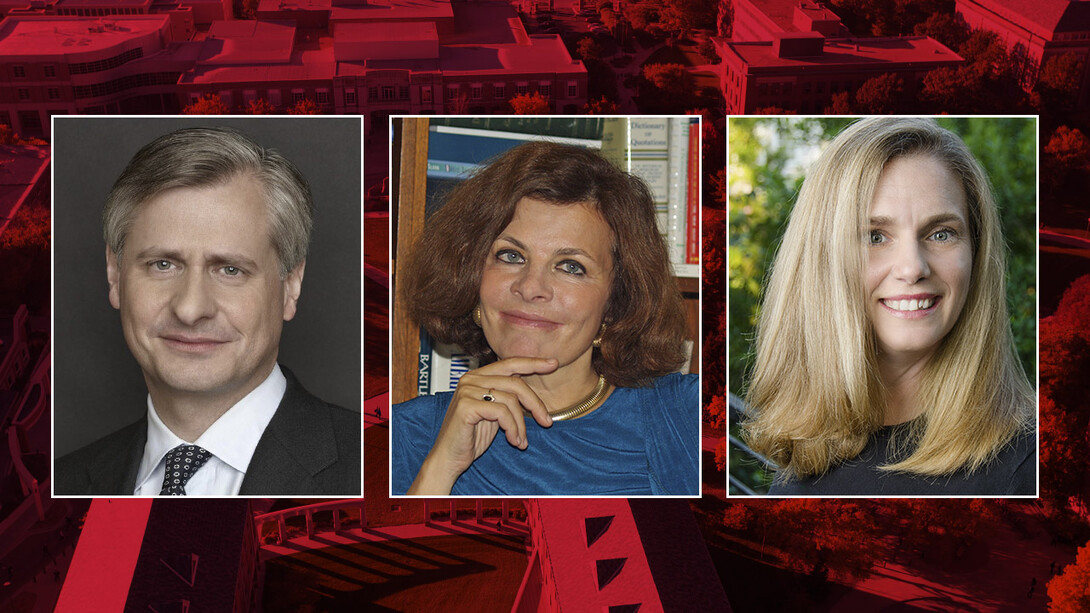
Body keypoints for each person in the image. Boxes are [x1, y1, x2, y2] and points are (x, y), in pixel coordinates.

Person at [54, 127, 361, 496]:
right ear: (115, 273)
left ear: (291, 284)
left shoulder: (371, 466)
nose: (190, 309)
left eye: (230, 270)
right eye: (162, 265)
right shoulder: (61, 484)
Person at [742, 117, 1036, 496]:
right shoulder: (802, 469)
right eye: (875, 236)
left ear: (977, 254)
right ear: (822, 262)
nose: (913, 267)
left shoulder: (1029, 467)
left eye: (941, 233)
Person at [391, 140, 699, 496]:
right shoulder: (405, 434)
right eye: (510, 256)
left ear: (616, 302)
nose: (531, 287)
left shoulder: (689, 418)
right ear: (471, 276)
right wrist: (441, 467)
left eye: (571, 267)